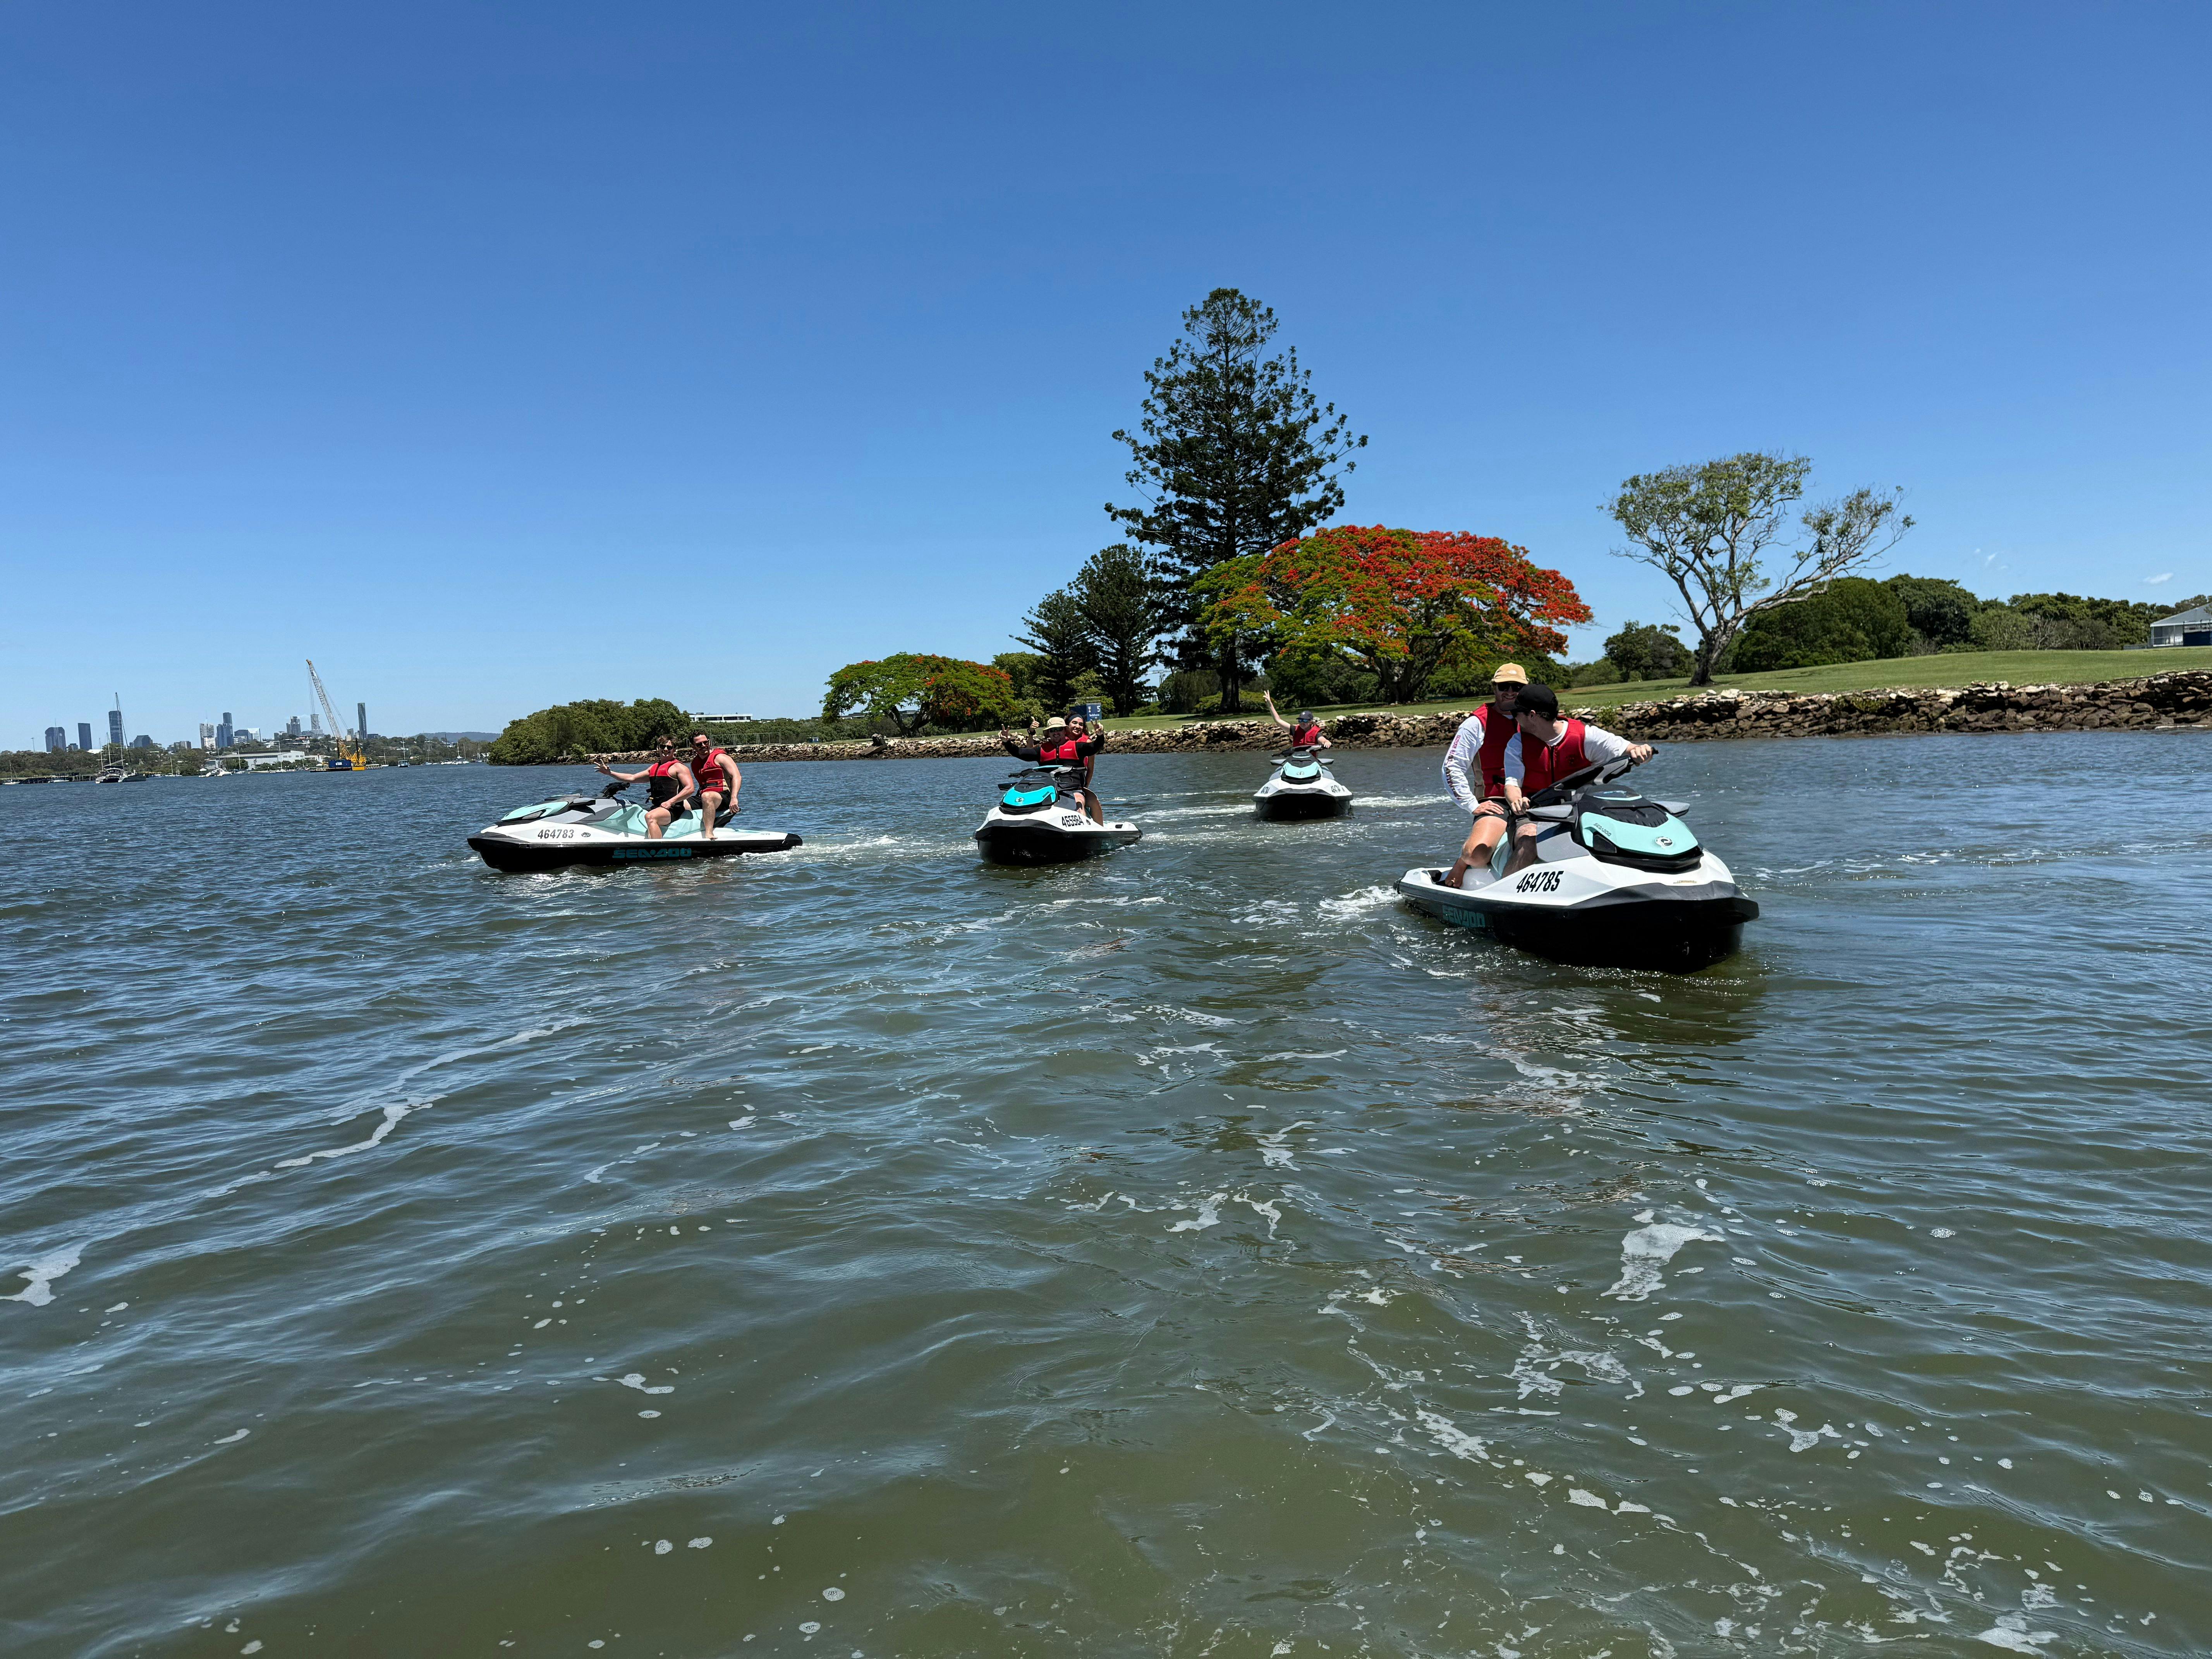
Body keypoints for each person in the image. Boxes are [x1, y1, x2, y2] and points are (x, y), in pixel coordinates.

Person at [1496, 682, 1654, 876]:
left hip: (1580, 812)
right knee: (1529, 841)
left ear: (1532, 715)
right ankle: (1506, 895)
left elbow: (1628, 749)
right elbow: (1512, 784)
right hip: (1531, 814)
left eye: (1516, 713)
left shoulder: (1586, 736)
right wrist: (1517, 802)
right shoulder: (1517, 744)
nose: (1514, 718)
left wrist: (1641, 751)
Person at [1440, 663, 1529, 888]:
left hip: (1534, 798)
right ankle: (1462, 862)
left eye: (1516, 686)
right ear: (1494, 688)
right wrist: (1472, 805)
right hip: (1497, 801)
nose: (1510, 691)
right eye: (1504, 686)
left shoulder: (1535, 719)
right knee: (1476, 855)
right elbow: (1452, 767)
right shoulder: (1476, 723)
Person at [998, 714, 1108, 825]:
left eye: (1059, 730)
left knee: (1078, 804)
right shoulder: (1042, 750)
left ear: (1065, 731)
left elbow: (1094, 747)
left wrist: (1100, 736)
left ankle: (1087, 834)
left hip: (1072, 790)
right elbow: (1021, 753)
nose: (1056, 733)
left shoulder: (1077, 747)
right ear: (1049, 733)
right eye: (1053, 730)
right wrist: (1007, 743)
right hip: (1047, 790)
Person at [597, 739, 696, 840]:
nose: (666, 749)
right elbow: (632, 778)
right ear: (658, 749)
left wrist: (670, 802)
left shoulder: (679, 767)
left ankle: (657, 850)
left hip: (673, 809)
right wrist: (610, 773)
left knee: (650, 817)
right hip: (658, 807)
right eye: (663, 747)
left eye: (670, 747)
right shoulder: (654, 768)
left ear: (674, 750)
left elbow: (690, 789)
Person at [688, 731, 741, 841]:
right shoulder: (695, 764)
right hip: (702, 797)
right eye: (699, 745)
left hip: (723, 797)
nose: (703, 746)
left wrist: (734, 798)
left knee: (708, 796)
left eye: (705, 742)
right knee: (678, 803)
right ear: (693, 747)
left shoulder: (720, 757)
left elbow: (737, 776)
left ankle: (709, 833)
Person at [1263, 691, 1330, 750]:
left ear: (1311, 722)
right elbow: (1278, 720)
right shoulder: (1294, 730)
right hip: (1296, 761)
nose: (1302, 723)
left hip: (1311, 761)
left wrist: (1327, 742)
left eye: (1305, 721)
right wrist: (1270, 703)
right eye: (1300, 721)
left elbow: (1323, 740)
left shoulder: (1316, 733)